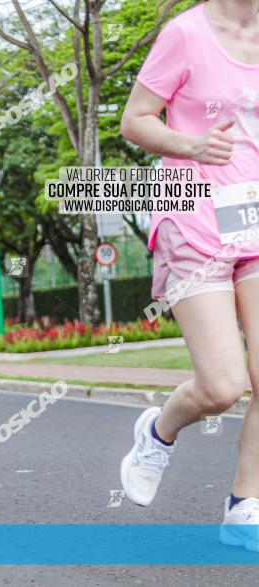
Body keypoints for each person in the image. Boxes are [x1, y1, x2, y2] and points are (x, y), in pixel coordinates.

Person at [119, 0, 259, 550]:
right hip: (195, 214)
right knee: (224, 386)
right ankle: (159, 431)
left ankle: (245, 504)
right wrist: (190, 144)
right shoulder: (186, 33)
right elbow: (135, 119)